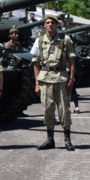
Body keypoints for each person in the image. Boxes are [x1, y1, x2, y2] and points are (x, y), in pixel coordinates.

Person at [31, 15, 76, 150]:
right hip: (45, 78)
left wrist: (72, 79)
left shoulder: (65, 39)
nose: (50, 25)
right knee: (47, 109)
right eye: (48, 22)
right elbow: (36, 63)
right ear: (45, 25)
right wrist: (37, 83)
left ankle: (67, 140)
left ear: (57, 25)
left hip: (61, 77)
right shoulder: (39, 40)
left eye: (53, 22)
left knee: (64, 109)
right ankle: (50, 140)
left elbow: (72, 61)